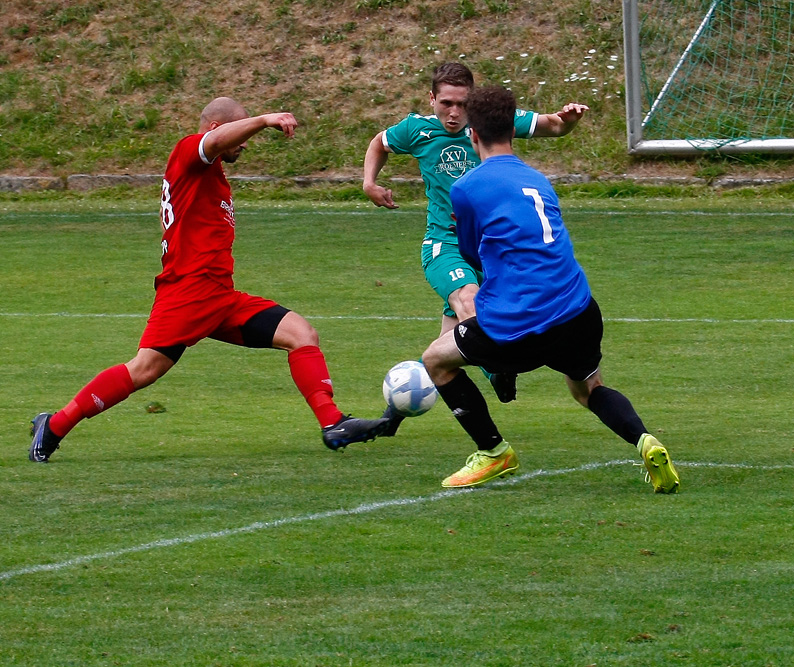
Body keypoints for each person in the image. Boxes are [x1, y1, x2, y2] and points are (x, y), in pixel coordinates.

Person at [29, 97, 388, 463]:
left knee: (301, 334)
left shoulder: (209, 172)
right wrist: (264, 120)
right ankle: (55, 425)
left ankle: (333, 423)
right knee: (144, 369)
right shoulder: (189, 151)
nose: (244, 143)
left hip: (219, 295)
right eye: (240, 132)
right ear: (217, 128)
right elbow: (213, 142)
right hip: (189, 292)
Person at [420, 86, 680, 493]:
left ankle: (493, 452)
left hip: (520, 322)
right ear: (512, 130)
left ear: (472, 134)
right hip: (578, 308)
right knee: (588, 389)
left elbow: (469, 251)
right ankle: (645, 441)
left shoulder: (467, 187)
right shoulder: (538, 179)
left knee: (436, 359)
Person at [362, 62, 589, 433]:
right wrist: (370, 183)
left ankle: (392, 420)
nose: (454, 113)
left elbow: (555, 126)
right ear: (431, 99)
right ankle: (497, 366)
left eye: (462, 104)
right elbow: (379, 142)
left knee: (445, 348)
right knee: (467, 302)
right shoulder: (416, 130)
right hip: (444, 243)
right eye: (446, 103)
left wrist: (569, 118)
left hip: (489, 248)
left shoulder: (487, 123)